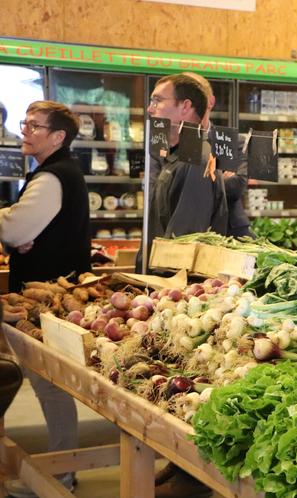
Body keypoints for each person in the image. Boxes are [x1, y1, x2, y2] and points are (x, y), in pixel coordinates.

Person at [0, 100, 89, 496]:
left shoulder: (52, 177)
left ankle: (61, 475)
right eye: (25, 123)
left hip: (46, 301)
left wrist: (15, 230)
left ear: (58, 137)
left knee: (50, 387)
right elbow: (19, 229)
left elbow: (16, 230)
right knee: (50, 386)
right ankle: (63, 469)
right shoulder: (56, 173)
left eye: (35, 126)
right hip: (48, 294)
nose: (26, 131)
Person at [140, 73, 229, 270]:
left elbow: (183, 243)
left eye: (157, 101)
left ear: (185, 106)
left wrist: (158, 287)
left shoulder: (197, 159)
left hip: (172, 288)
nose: (149, 109)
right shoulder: (176, 155)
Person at [185, 72, 252, 238]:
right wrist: (220, 177)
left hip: (231, 233)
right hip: (185, 233)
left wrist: (193, 183)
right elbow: (161, 188)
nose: (189, 104)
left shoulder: (234, 141)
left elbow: (237, 186)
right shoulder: (169, 143)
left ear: (210, 102)